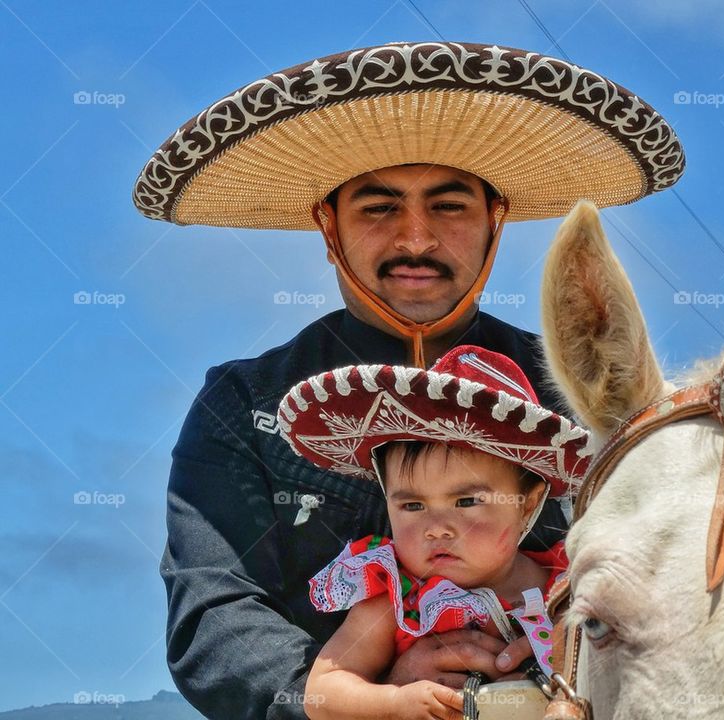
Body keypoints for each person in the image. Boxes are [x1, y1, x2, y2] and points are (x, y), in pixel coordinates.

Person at [133, 41, 683, 718]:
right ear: (328, 226)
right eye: (378, 206)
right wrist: (368, 692)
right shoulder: (245, 403)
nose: (416, 239)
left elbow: (657, 580)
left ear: (495, 222)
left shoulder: (583, 390)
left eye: (449, 206)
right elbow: (212, 625)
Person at [276, 345, 590, 719]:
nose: (436, 529)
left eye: (466, 502)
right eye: (412, 506)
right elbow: (324, 690)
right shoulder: (395, 598)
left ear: (526, 503)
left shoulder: (571, 590)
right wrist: (393, 704)